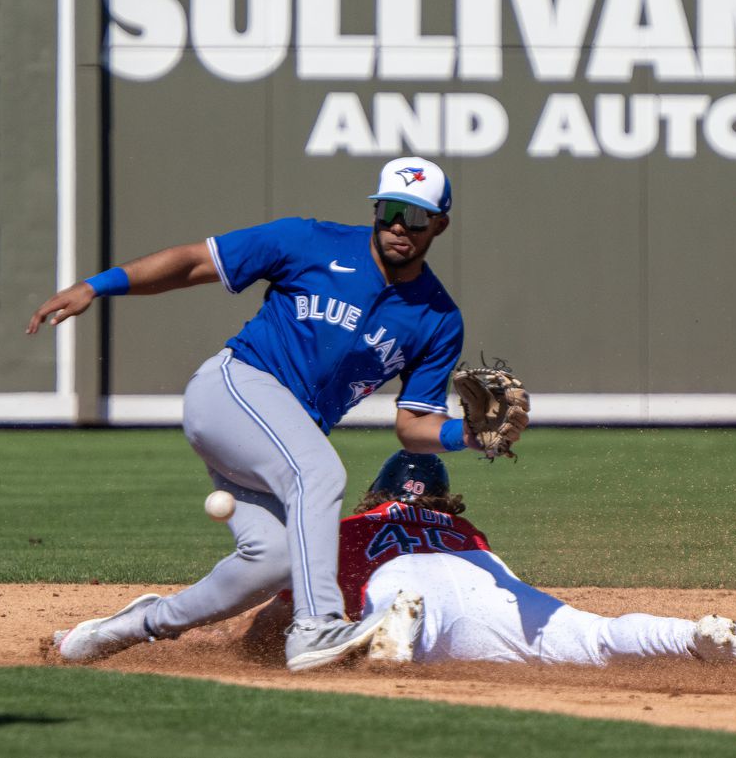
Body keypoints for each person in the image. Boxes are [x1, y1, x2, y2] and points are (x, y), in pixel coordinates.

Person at [30, 156, 502, 671]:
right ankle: (318, 625)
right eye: (388, 209)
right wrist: (96, 286)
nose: (397, 225)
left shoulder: (438, 317)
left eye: (414, 216)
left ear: (439, 224)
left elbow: (413, 428)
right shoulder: (309, 242)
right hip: (234, 388)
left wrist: (471, 437)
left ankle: (121, 630)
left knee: (274, 560)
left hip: (281, 435)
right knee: (319, 472)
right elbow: (193, 262)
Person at [325, 450, 736, 670]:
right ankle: (691, 635)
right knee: (597, 637)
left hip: (399, 579)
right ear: (443, 500)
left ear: (377, 495)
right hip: (486, 586)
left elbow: (293, 609)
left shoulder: (348, 529)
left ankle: (394, 626)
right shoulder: (464, 528)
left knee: (407, 625)